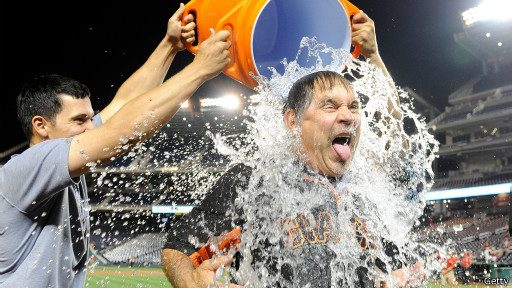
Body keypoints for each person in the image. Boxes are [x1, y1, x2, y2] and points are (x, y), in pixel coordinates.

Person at [162, 12, 423, 288]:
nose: (348, 116)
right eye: (330, 106)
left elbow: (395, 134)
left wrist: (373, 56)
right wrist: (189, 281)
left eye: (354, 106)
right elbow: (176, 249)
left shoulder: (363, 189)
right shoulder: (253, 181)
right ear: (293, 122)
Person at [0, 3, 232, 287]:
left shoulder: (62, 155)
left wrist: (169, 46)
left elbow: (123, 104)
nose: (90, 126)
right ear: (40, 126)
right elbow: (120, 132)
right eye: (79, 120)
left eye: (90, 117)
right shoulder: (25, 167)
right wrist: (199, 71)